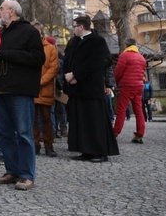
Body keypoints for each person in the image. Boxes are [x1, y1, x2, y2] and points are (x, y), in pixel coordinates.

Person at [0, 1, 45, 192]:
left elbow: (38, 58)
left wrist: (7, 54)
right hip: (0, 88)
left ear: (12, 11)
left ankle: (26, 174)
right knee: (4, 133)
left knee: (24, 133)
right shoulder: (0, 33)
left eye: (2, 9)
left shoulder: (29, 32)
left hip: (20, 90)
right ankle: (11, 170)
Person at [63, 15, 119, 163]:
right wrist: (68, 76)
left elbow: (96, 62)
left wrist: (76, 74)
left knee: (95, 121)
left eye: (74, 26)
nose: (73, 29)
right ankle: (85, 150)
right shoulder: (73, 41)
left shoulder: (97, 41)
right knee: (80, 120)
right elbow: (67, 60)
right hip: (76, 88)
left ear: (81, 27)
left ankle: (100, 152)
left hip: (91, 88)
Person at [32, 22, 60, 158]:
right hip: (31, 89)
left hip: (45, 89)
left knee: (47, 119)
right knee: (32, 120)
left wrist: (40, 82)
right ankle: (35, 144)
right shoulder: (27, 48)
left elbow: (54, 68)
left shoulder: (50, 49)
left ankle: (49, 146)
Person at [113, 38, 148, 143]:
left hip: (126, 86)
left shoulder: (124, 56)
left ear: (126, 45)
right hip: (138, 86)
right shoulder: (142, 58)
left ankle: (115, 132)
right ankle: (139, 134)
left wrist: (116, 82)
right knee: (139, 110)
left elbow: (118, 72)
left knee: (121, 109)